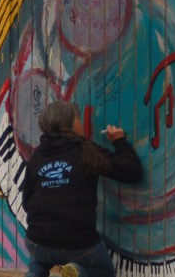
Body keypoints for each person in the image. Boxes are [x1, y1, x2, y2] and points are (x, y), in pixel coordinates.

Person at [21, 101, 142, 277]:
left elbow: (26, 202)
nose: (81, 123)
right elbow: (131, 171)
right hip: (76, 243)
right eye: (78, 119)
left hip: (36, 241)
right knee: (103, 271)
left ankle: (34, 273)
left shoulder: (37, 156)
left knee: (40, 255)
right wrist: (119, 141)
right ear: (69, 125)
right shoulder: (85, 150)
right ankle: (78, 272)